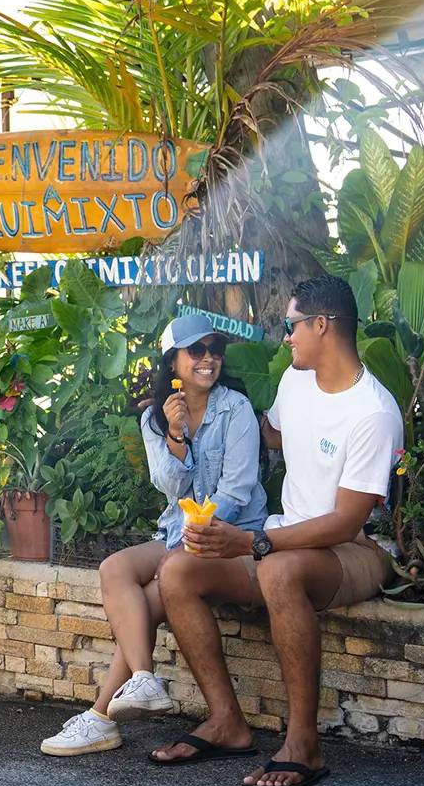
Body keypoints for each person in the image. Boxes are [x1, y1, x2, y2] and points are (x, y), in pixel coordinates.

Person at [149, 273, 403, 786]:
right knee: (177, 570)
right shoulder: (295, 380)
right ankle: (226, 721)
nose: (285, 337)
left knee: (280, 569)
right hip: (285, 537)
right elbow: (274, 434)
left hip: (350, 549)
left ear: (321, 325)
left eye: (291, 326)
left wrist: (252, 542)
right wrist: (206, 419)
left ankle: (303, 742)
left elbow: (345, 522)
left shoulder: (373, 412)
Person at [40, 309, 267, 756]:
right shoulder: (154, 421)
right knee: (114, 568)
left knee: (155, 592)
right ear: (173, 362)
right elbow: (167, 487)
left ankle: (101, 715)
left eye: (215, 350)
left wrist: (192, 537)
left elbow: (238, 490)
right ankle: (143, 679)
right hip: (178, 531)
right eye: (196, 350)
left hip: (232, 532)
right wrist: (176, 435)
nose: (209, 358)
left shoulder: (235, 408)